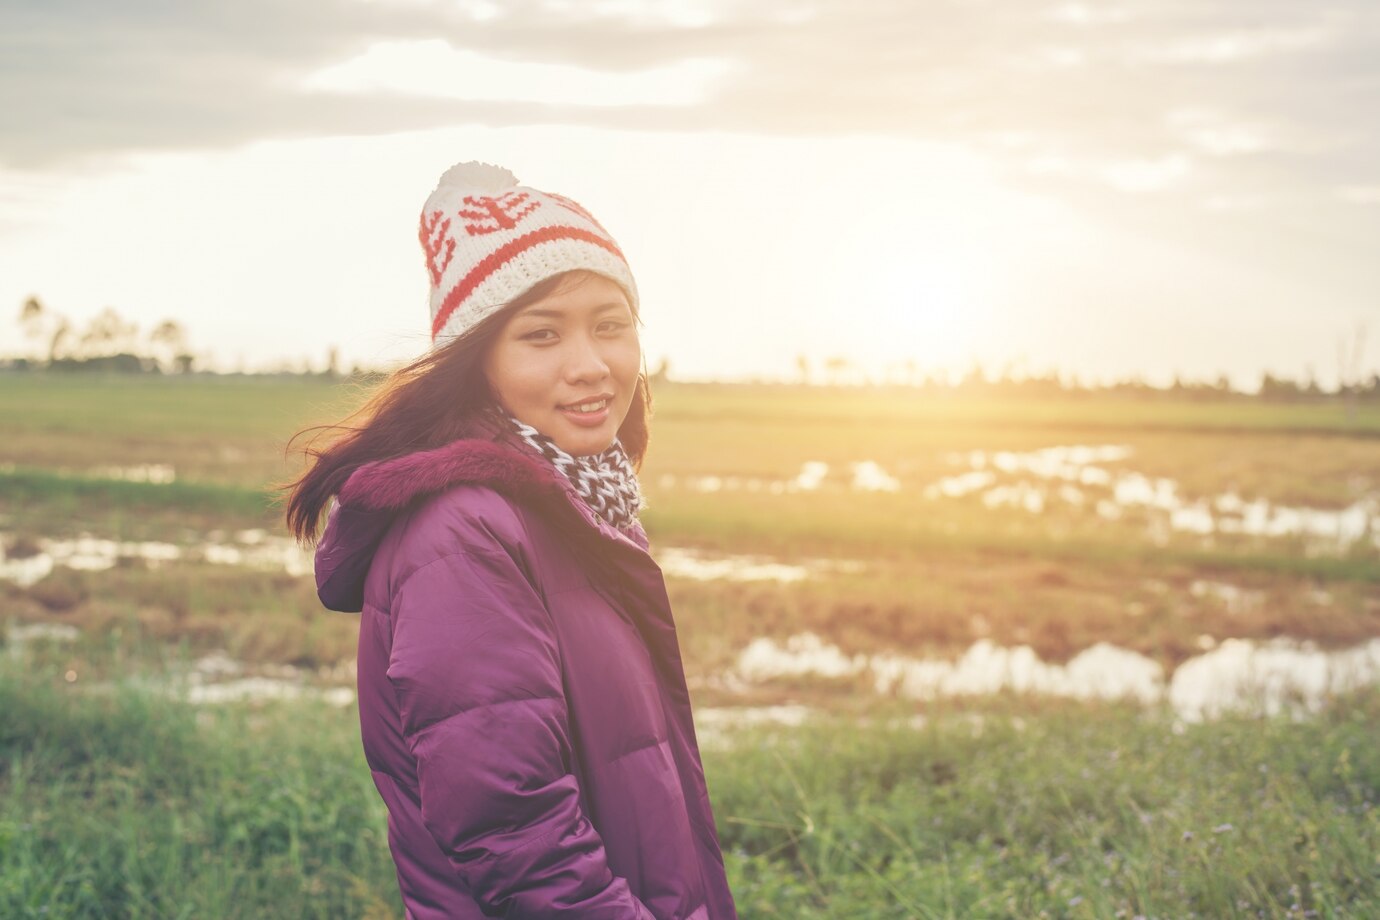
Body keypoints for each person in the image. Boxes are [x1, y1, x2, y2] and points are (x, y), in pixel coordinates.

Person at [285, 162, 738, 919]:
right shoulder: (463, 532)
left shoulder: (577, 499)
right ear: (478, 365)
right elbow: (515, 831)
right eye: (541, 335)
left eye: (610, 325)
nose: (590, 366)